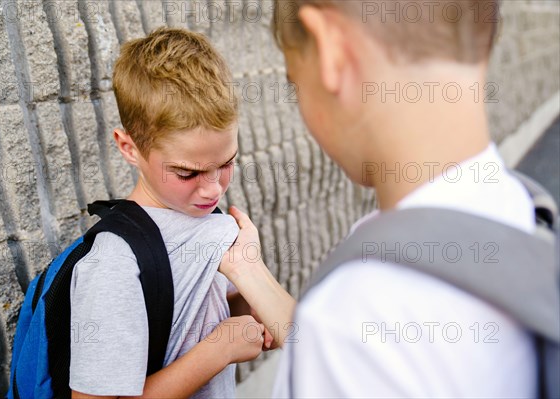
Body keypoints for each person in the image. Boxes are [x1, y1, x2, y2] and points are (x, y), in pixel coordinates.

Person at [219, 0, 542, 396]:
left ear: (332, 52)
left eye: (293, 81)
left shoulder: (356, 320)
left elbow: (362, 344)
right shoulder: (520, 208)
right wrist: (252, 273)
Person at [69, 27, 272, 399]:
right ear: (128, 148)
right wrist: (218, 350)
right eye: (187, 173)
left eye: (227, 163)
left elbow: (253, 325)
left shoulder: (204, 223)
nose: (213, 189)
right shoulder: (115, 264)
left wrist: (249, 280)